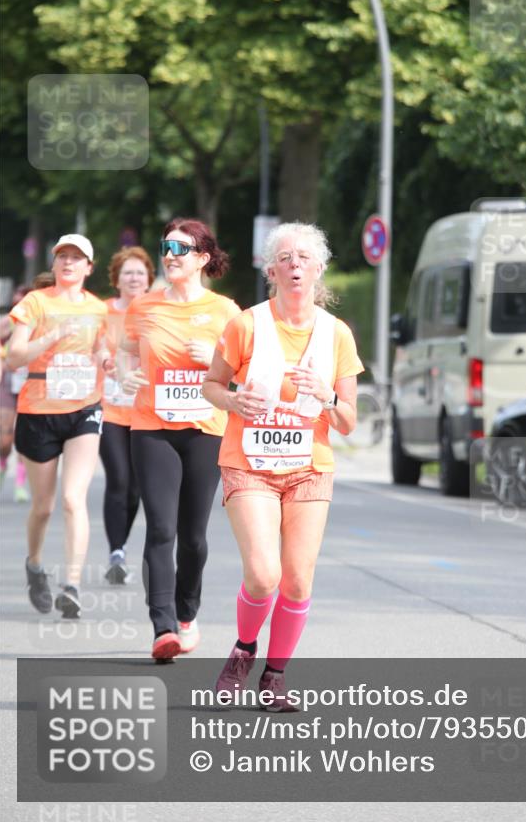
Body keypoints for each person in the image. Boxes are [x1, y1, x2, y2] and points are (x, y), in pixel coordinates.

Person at [202, 221, 363, 709]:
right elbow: (210, 385)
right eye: (286, 258)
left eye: (304, 258)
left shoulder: (337, 334)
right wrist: (233, 401)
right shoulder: (246, 324)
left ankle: (274, 676)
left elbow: (350, 422)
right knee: (264, 574)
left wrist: (328, 397)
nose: (295, 265)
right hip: (249, 463)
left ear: (319, 268)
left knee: (297, 578)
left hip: (309, 468)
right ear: (271, 270)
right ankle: (244, 649)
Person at [123, 218, 240, 662]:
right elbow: (124, 351)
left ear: (203, 259)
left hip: (204, 429)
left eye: (181, 248)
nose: (170, 254)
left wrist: (210, 357)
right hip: (151, 426)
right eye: (166, 246)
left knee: (193, 537)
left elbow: (242, 372)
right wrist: (122, 371)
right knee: (160, 529)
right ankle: (163, 627)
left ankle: (187, 613)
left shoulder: (226, 312)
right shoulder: (144, 307)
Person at [7, 236, 108, 619]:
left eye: (77, 258)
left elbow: (104, 350)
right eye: (63, 257)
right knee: (44, 506)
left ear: (89, 267)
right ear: (55, 263)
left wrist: (106, 359)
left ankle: (72, 585)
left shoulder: (99, 310)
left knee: (72, 499)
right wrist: (49, 337)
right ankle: (35, 565)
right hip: (38, 410)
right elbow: (15, 356)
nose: (68, 263)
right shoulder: (37, 302)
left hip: (83, 407)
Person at [101, 246, 155, 585]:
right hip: (109, 407)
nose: (134, 278)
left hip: (146, 409)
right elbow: (89, 346)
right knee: (119, 478)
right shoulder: (102, 312)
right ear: (117, 279)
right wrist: (103, 361)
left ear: (149, 278)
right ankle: (116, 551)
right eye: (128, 273)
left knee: (136, 486)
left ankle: (119, 547)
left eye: (140, 273)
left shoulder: (156, 310)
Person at [0, 284, 32, 502]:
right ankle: (2, 463)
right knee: (5, 438)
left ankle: (20, 484)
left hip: (30, 383)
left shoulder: (39, 324)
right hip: (7, 382)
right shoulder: (6, 323)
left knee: (23, 436)